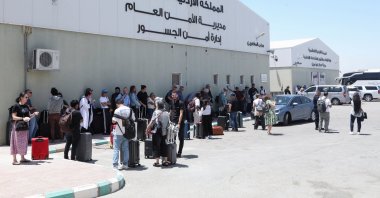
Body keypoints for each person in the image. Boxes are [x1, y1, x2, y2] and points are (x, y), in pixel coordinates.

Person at [11, 92, 39, 165]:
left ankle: (22, 158)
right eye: (26, 97)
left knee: (23, 143)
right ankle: (14, 160)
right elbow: (13, 117)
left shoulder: (26, 106)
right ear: (21, 98)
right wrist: (23, 118)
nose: (27, 99)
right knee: (16, 142)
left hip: (24, 127)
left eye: (27, 97)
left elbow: (28, 117)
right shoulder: (16, 106)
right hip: (17, 127)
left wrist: (34, 114)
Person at [112, 99, 135, 170]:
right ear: (123, 103)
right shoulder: (130, 109)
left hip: (119, 132)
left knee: (116, 149)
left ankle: (115, 165)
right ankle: (125, 164)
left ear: (117, 104)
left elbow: (113, 121)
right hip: (127, 132)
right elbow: (133, 119)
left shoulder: (117, 110)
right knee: (125, 148)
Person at [146, 100, 171, 167]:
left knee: (156, 145)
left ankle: (157, 162)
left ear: (158, 105)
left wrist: (147, 128)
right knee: (164, 145)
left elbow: (152, 122)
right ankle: (165, 161)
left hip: (157, 131)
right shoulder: (166, 113)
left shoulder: (156, 112)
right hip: (165, 131)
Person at [169, 91, 185, 158]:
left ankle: (179, 152)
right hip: (172, 122)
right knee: (173, 138)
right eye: (172, 95)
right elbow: (170, 111)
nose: (173, 97)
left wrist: (179, 123)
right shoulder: (171, 102)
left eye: (174, 95)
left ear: (177, 96)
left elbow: (181, 113)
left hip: (179, 123)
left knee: (181, 138)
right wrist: (169, 120)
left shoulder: (181, 103)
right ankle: (174, 151)